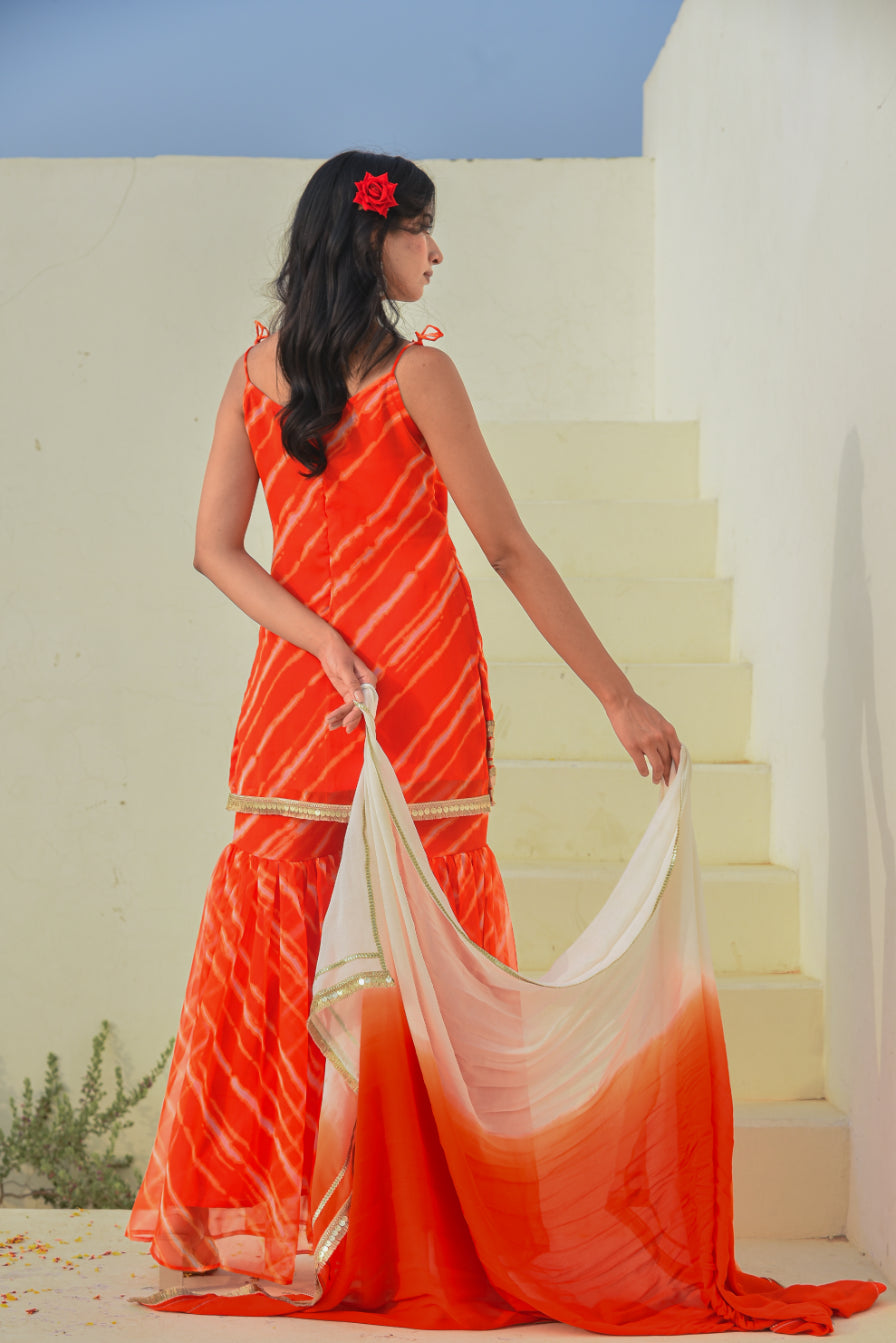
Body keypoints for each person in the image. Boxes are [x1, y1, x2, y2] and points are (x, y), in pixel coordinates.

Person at [127, 152, 883, 1333]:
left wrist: (318, 641)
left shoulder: (250, 373)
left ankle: (272, 1221)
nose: (434, 254)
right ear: (369, 241)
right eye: (421, 232)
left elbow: (217, 551)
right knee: (425, 971)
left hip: (298, 702)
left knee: (279, 963)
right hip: (416, 696)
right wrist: (617, 695)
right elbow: (509, 548)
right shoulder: (419, 377)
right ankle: (427, 1221)